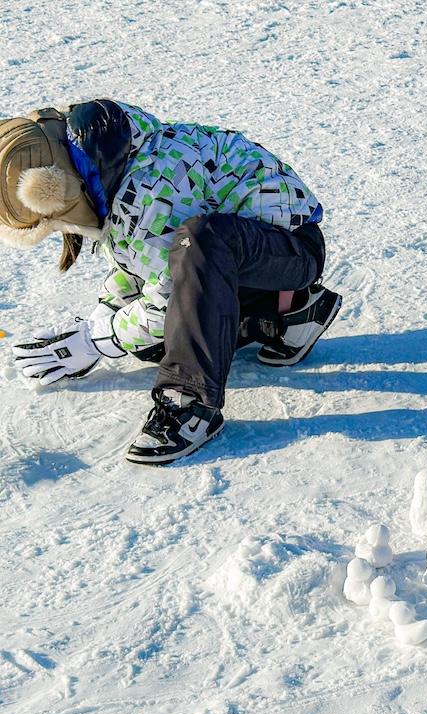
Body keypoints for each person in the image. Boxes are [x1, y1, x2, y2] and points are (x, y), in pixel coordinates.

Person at [0, 100, 341, 464]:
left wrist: (94, 341)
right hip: (244, 257)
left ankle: (191, 404)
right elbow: (136, 261)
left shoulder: (150, 185)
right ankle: (288, 313)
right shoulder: (107, 162)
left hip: (290, 249)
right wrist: (101, 319)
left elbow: (168, 297)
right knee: (148, 344)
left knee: (198, 242)